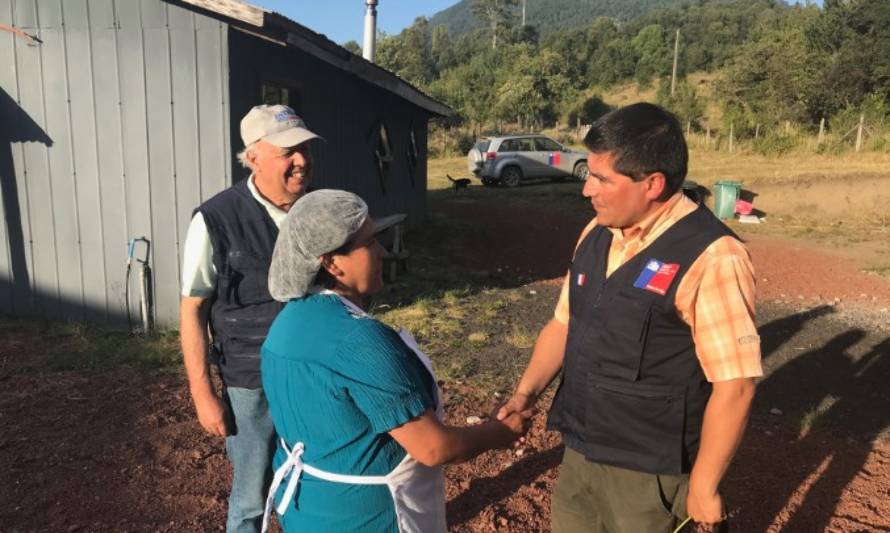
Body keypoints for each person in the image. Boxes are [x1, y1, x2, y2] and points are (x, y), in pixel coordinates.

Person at [497, 103, 762, 532]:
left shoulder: (713, 256)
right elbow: (563, 324)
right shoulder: (595, 234)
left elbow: (736, 386)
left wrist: (705, 486)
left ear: (652, 184)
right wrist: (524, 395)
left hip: (649, 473)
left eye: (601, 179)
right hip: (581, 450)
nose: (587, 190)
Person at [259, 189, 532, 532]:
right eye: (370, 242)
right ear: (331, 262)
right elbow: (433, 448)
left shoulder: (286, 324)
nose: (383, 251)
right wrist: (500, 432)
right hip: (371, 519)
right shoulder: (359, 340)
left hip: (309, 510)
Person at [179, 104, 320, 533]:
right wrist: (203, 393)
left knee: (315, 479)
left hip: (313, 374)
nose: (301, 160)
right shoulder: (216, 219)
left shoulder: (317, 210)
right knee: (251, 492)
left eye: (305, 148)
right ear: (253, 156)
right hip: (249, 379)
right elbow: (192, 308)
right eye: (287, 151)